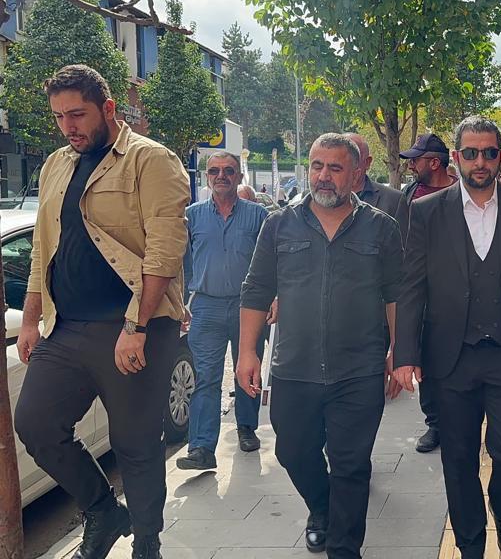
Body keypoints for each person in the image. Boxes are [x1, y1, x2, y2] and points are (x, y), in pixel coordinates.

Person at [14, 64, 189, 559]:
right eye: (59, 117)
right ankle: (103, 510)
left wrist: (136, 324)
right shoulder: (56, 165)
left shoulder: (150, 160)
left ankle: (147, 542)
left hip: (133, 325)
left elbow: (164, 251)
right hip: (66, 327)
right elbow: (42, 249)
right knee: (36, 425)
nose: (67, 126)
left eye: (77, 114)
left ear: (108, 108)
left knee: (136, 442)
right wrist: (30, 319)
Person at [394, 116, 501, 559]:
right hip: (450, 357)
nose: (480, 161)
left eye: (489, 152)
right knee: (458, 457)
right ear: (456, 157)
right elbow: (412, 286)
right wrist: (405, 353)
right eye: (471, 153)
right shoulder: (427, 211)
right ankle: (469, 541)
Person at [236, 133, 404, 557]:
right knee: (293, 451)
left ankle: (344, 548)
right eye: (316, 166)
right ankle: (322, 507)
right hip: (295, 368)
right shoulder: (279, 225)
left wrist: (398, 352)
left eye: (335, 168)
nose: (323, 176)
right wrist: (248, 352)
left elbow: (396, 295)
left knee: (351, 465)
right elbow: (256, 290)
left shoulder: (381, 228)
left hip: (359, 370)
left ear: (357, 173)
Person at [176, 152, 269, 472]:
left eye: (228, 171)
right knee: (205, 377)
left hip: (249, 307)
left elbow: (272, 262)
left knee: (248, 369)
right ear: (206, 177)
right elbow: (180, 263)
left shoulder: (258, 216)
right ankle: (201, 448)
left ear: (239, 176)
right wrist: (181, 302)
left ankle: (247, 427)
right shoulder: (192, 217)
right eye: (214, 171)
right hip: (206, 306)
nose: (221, 176)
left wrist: (274, 298)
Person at [395, 132, 456, 453]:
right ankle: (435, 423)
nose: (411, 166)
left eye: (415, 160)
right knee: (428, 361)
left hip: (459, 293)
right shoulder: (409, 195)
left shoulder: (464, 193)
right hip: (423, 292)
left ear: (434, 163)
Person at [348, 132, 402, 218]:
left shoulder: (394, 200)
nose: (344, 164)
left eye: (351, 158)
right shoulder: (325, 197)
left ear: (367, 162)